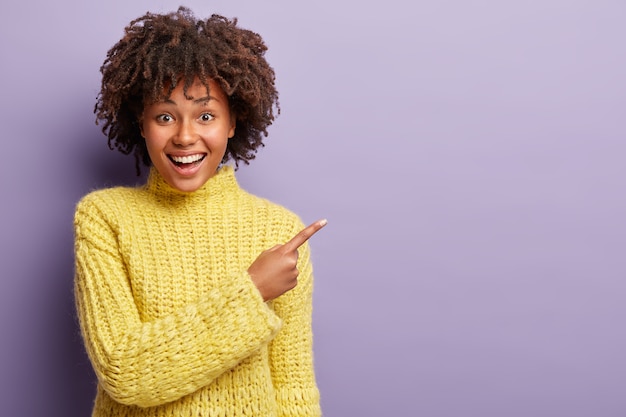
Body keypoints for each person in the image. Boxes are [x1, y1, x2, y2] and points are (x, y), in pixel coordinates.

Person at [73, 7, 326, 417]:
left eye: (206, 115)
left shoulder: (278, 230)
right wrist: (251, 291)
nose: (185, 136)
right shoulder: (105, 218)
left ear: (232, 121)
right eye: (165, 116)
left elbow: (294, 390)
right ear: (141, 123)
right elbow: (124, 372)